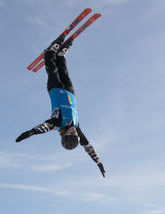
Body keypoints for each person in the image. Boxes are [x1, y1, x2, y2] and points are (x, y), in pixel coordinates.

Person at [15, 36, 105, 177]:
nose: (74, 132)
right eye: (75, 134)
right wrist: (99, 163)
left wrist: (29, 133)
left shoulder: (56, 123)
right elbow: (88, 147)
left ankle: (50, 53)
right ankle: (61, 55)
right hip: (70, 92)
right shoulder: (77, 129)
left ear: (64, 134)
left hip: (55, 89)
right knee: (64, 71)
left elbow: (41, 129)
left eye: (71, 133)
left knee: (53, 70)